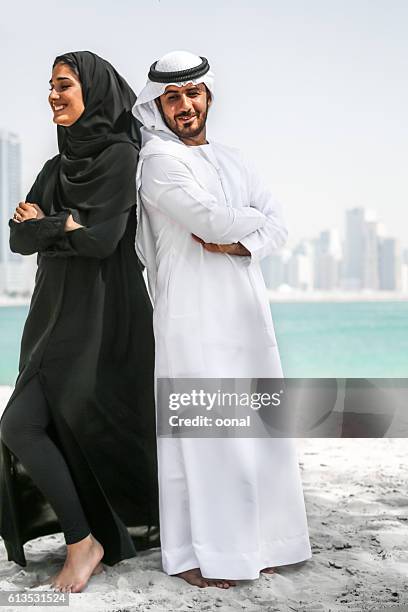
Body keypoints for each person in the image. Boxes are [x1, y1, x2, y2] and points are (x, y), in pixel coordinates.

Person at [133, 50, 312, 589]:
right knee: (204, 437)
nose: (185, 106)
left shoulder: (237, 158)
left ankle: (267, 542)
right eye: (173, 98)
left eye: (193, 94)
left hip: (247, 312)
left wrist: (241, 238)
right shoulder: (160, 162)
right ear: (158, 105)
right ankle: (202, 553)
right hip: (192, 317)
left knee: (258, 432)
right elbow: (207, 219)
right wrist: (247, 225)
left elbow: (277, 226)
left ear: (208, 97)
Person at [0, 51, 159, 593]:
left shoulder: (119, 156)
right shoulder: (54, 167)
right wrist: (58, 224)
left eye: (64, 84)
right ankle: (82, 538)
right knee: (25, 424)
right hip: (50, 315)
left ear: (93, 90)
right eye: (49, 85)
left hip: (99, 316)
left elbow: (100, 242)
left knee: (25, 424)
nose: (53, 94)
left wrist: (50, 225)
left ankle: (84, 543)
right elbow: (18, 239)